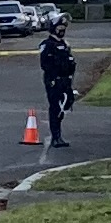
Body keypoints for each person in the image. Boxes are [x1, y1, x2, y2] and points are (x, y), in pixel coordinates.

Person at [37, 18, 78, 146]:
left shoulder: (65, 44)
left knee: (66, 104)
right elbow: (45, 64)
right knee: (55, 108)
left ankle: (58, 134)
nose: (62, 30)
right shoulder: (47, 44)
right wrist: (54, 75)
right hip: (54, 80)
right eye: (60, 27)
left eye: (64, 28)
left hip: (66, 80)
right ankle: (56, 136)